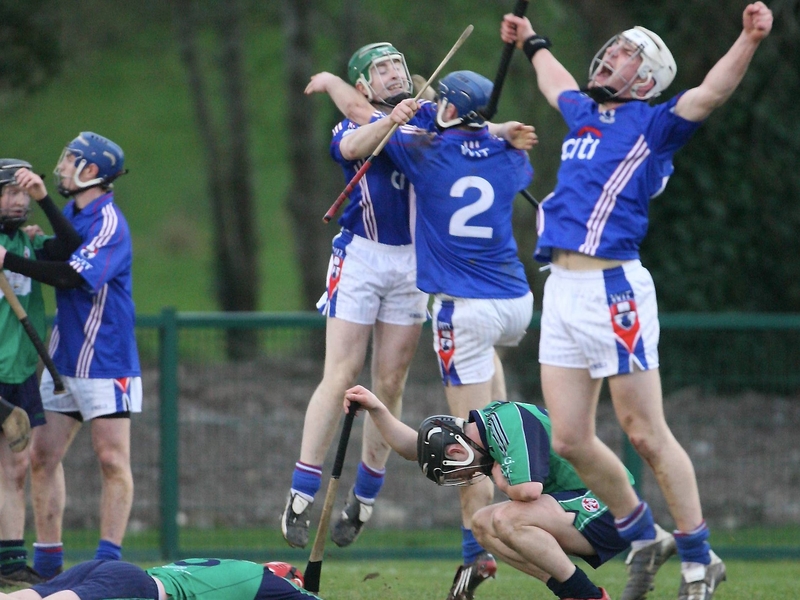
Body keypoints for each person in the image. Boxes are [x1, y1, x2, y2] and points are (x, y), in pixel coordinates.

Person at [499, 3, 773, 599]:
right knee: (569, 437)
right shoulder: (584, 113)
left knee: (644, 432)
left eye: (627, 54)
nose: (610, 56)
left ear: (645, 79)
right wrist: (531, 42)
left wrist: (749, 39)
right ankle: (643, 534)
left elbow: (711, 93)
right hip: (563, 290)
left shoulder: (654, 124)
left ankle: (699, 558)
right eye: (613, 49)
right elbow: (558, 84)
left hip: (613, 290)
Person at [338, 70, 535, 600]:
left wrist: (337, 84)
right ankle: (511, 462)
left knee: (466, 447)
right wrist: (497, 132)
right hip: (516, 305)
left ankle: (475, 560)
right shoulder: (513, 157)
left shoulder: (424, 154)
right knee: (493, 412)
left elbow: (369, 126)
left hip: (463, 311)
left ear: (449, 111)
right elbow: (482, 138)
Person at [281, 43, 435, 554]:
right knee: (342, 373)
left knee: (389, 381)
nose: (394, 72)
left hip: (413, 263)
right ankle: (301, 493)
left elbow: (467, 121)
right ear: (364, 86)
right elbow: (357, 145)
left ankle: (365, 497)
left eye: (398, 64)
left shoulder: (428, 119)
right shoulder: (353, 126)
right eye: (380, 69)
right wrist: (386, 118)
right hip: (363, 258)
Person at [0, 132, 141, 578]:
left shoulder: (109, 223)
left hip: (107, 359)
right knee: (41, 457)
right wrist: (39, 217)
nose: (60, 167)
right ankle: (48, 565)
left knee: (112, 459)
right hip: (64, 356)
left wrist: (7, 258)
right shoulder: (72, 215)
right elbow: (60, 244)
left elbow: (69, 276)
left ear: (90, 171)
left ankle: (107, 565)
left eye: (69, 160)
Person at [344, 384, 635, 600]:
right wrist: (376, 408)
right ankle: (577, 593)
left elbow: (529, 491)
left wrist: (502, 482)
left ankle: (588, 597)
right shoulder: (483, 432)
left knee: (508, 519)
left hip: (611, 506)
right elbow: (414, 449)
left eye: (458, 470)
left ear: (457, 449)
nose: (468, 476)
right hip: (579, 508)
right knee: (482, 523)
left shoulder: (507, 423)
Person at [0, 160, 82, 587]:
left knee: (15, 468)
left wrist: (44, 198)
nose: (17, 201)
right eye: (9, 192)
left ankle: (9, 561)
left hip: (20, 372)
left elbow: (72, 249)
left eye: (22, 193)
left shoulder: (26, 245)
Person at [0, 557, 319, 600]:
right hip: (139, 589)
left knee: (29, 597)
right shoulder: (268, 582)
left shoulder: (234, 568)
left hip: (113, 569)